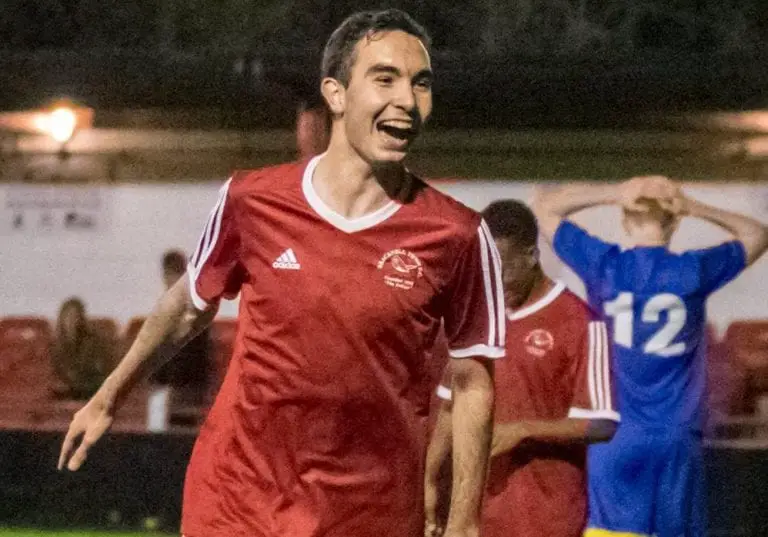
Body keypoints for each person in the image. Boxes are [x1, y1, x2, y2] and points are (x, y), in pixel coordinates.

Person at [58, 9, 506, 537]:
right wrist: (108, 396)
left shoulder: (456, 234)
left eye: (421, 84)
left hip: (370, 511)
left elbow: (474, 381)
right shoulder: (252, 200)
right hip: (238, 499)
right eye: (384, 79)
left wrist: (465, 522)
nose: (407, 100)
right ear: (335, 95)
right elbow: (187, 307)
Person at [532, 176, 768, 537]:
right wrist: (696, 207)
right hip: (676, 436)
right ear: (675, 222)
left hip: (614, 435)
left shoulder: (604, 265)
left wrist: (614, 193)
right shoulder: (693, 271)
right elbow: (758, 234)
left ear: (625, 221)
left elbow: (546, 210)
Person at [424, 200, 619, 537]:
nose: (493, 285)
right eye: (483, 272)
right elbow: (449, 405)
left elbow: (602, 423)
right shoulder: (474, 314)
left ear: (531, 256)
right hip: (478, 516)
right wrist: (428, 480)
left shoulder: (579, 322)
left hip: (545, 516)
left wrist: (522, 431)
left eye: (501, 271)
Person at [149, 250, 213, 415]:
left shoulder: (197, 312)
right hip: (166, 386)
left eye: (173, 275)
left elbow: (196, 361)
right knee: (155, 401)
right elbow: (157, 355)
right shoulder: (162, 312)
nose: (168, 281)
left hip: (189, 387)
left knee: (163, 403)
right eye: (167, 275)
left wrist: (171, 388)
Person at [50, 297, 113, 401]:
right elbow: (54, 376)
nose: (71, 320)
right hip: (65, 395)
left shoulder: (94, 341)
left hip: (89, 393)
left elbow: (100, 374)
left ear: (81, 319)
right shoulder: (55, 345)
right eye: (68, 316)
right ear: (61, 318)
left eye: (75, 316)